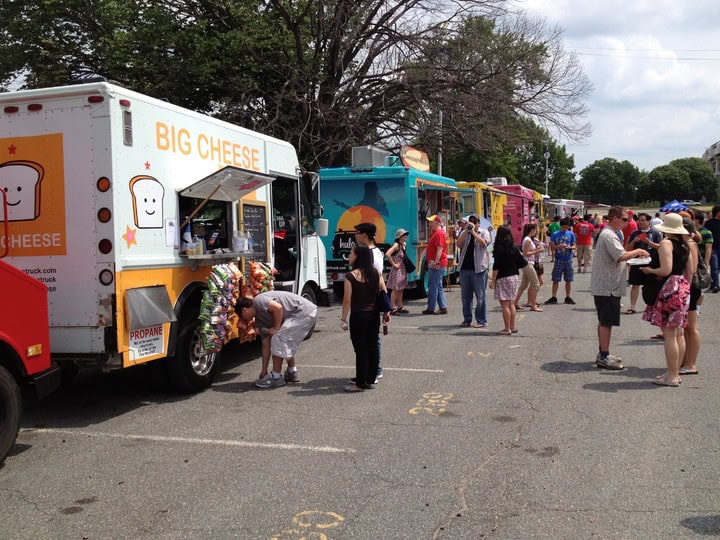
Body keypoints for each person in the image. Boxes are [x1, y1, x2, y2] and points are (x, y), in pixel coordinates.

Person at [591, 207, 649, 370]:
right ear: (615, 218)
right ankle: (604, 356)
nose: (628, 222)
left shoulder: (610, 234)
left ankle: (603, 352)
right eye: (625, 219)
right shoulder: (609, 235)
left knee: (604, 320)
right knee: (606, 321)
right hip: (607, 285)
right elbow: (621, 256)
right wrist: (638, 250)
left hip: (606, 284)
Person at [640, 213, 694, 387]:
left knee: (669, 335)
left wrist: (650, 270)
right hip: (683, 287)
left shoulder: (666, 243)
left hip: (669, 287)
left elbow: (665, 269)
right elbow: (690, 271)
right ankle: (675, 373)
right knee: (678, 333)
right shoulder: (685, 244)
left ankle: (671, 376)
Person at [238, 291, 318, 388]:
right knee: (284, 341)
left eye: (241, 317)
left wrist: (276, 328)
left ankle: (276, 377)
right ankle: (292, 372)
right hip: (300, 314)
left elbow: (278, 307)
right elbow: (265, 345)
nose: (244, 321)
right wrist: (264, 371)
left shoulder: (258, 301)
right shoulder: (260, 320)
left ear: (244, 310)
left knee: (278, 339)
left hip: (303, 311)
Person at [341, 245, 391, 392]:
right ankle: (370, 378)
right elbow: (383, 291)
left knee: (360, 350)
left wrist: (343, 319)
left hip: (358, 316)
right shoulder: (376, 273)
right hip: (373, 315)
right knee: (373, 347)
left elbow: (347, 300)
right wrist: (386, 312)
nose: (349, 256)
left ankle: (360, 383)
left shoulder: (350, 276)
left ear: (358, 256)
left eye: (351, 253)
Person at [354, 222, 386, 379]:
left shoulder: (371, 253)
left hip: (368, 301)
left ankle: (374, 370)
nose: (355, 235)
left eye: (357, 232)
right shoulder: (373, 251)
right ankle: (370, 370)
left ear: (364, 235)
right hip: (367, 301)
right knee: (370, 340)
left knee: (371, 340)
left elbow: (377, 279)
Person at [456, 214, 491, 328]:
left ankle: (481, 320)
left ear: (479, 223)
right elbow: (459, 244)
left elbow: (484, 243)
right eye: (470, 221)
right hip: (464, 269)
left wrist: (474, 233)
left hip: (479, 270)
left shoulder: (484, 232)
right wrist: (466, 231)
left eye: (475, 222)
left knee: (480, 297)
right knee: (466, 297)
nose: (472, 224)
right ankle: (467, 320)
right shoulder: (465, 232)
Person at [625, 213, 661, 313]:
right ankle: (632, 306)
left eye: (643, 220)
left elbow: (660, 247)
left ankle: (652, 306)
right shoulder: (634, 233)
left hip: (650, 263)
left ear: (649, 221)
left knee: (651, 285)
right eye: (639, 220)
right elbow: (628, 248)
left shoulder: (655, 233)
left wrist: (649, 243)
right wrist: (634, 241)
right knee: (635, 285)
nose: (640, 222)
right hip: (636, 263)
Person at [489, 226, 521, 335]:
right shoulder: (513, 246)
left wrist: (493, 280)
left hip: (503, 277)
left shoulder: (498, 247)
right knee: (511, 303)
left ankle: (507, 329)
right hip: (514, 276)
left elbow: (496, 265)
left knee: (505, 305)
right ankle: (513, 326)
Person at [679, 218, 702, 377]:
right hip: (688, 288)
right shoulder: (687, 243)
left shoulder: (690, 244)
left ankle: (691, 363)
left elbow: (691, 271)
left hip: (690, 288)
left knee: (691, 328)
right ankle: (686, 360)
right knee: (687, 327)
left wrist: (684, 291)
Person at [545, 217, 576, 305]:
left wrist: (570, 247)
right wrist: (559, 246)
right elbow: (552, 246)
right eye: (563, 227)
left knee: (568, 279)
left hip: (568, 259)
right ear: (560, 226)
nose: (565, 229)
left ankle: (568, 296)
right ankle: (554, 296)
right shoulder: (555, 234)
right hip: (558, 259)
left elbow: (574, 245)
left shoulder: (571, 234)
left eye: (566, 227)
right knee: (556, 279)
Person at [515, 223, 544, 311]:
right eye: (535, 230)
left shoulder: (527, 239)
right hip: (528, 263)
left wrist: (536, 249)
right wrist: (538, 250)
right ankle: (533, 305)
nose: (536, 231)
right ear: (532, 230)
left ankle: (515, 302)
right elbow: (525, 253)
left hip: (527, 263)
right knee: (536, 284)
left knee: (524, 285)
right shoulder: (527, 240)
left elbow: (528, 251)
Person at [423, 214, 448, 315]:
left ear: (437, 223)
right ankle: (442, 307)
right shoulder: (437, 233)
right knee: (437, 285)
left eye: (431, 222)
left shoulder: (439, 234)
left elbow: (439, 248)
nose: (429, 224)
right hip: (436, 262)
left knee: (433, 285)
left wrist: (436, 261)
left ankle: (431, 308)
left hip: (437, 263)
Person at [385, 228, 411, 314]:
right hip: (397, 270)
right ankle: (392, 308)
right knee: (395, 289)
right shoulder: (396, 245)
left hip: (402, 269)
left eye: (406, 234)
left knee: (401, 288)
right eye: (404, 235)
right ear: (400, 236)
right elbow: (388, 254)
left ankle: (400, 306)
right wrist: (394, 264)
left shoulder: (404, 244)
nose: (406, 236)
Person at [703, 205, 720, 293]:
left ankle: (713, 284)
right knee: (714, 266)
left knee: (718, 267)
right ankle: (716, 285)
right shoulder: (709, 223)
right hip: (713, 248)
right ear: (717, 212)